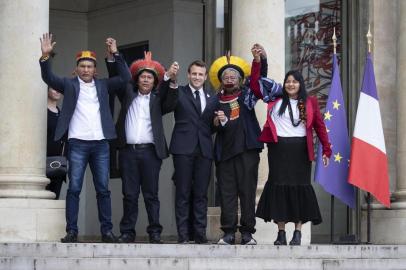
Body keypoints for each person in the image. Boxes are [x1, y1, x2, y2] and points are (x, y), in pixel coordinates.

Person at [39, 33, 131, 243]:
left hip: (100, 144)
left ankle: (106, 232)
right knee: (74, 189)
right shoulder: (69, 85)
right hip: (77, 143)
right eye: (83, 66)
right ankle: (72, 231)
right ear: (77, 68)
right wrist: (45, 57)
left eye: (90, 66)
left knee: (103, 190)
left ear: (95, 69)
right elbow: (49, 78)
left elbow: (125, 78)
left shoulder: (103, 85)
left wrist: (116, 54)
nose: (86, 70)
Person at [250, 45, 331, 246]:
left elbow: (320, 128)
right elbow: (255, 84)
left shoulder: (309, 102)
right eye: (288, 81)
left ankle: (297, 232)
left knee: (299, 189)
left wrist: (327, 149)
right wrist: (258, 61)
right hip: (279, 150)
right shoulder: (275, 99)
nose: (291, 84)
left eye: (294, 81)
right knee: (278, 189)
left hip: (301, 151)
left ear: (300, 84)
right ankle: (280, 233)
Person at [105, 47, 179, 244]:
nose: (146, 80)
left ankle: (154, 232)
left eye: (150, 77)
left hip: (150, 153)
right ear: (136, 80)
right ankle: (127, 232)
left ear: (155, 82)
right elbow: (120, 76)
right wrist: (115, 55)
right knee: (129, 194)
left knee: (151, 195)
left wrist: (170, 79)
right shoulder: (128, 94)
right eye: (143, 77)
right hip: (128, 152)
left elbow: (171, 101)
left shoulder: (157, 100)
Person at [210, 50, 269, 245]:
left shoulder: (247, 96)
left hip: (247, 151)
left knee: (247, 192)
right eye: (225, 76)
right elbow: (206, 125)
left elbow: (259, 81)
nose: (229, 79)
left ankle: (246, 233)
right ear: (220, 79)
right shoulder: (214, 100)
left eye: (233, 76)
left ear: (239, 79)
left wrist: (259, 60)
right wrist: (216, 123)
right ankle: (227, 232)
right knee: (227, 194)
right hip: (225, 153)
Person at [166, 60, 217, 244]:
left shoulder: (212, 97)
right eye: (194, 74)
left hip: (204, 149)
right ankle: (183, 235)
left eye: (200, 74)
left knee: (201, 193)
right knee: (183, 192)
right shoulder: (178, 91)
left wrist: (218, 123)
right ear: (188, 75)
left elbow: (209, 126)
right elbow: (166, 103)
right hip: (183, 148)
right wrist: (170, 80)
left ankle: (200, 234)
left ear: (205, 77)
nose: (197, 77)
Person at [46, 87, 65, 199]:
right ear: (47, 90)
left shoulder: (62, 115)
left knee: (54, 198)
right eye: (54, 88)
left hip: (58, 165)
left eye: (59, 89)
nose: (57, 91)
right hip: (41, 164)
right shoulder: (41, 113)